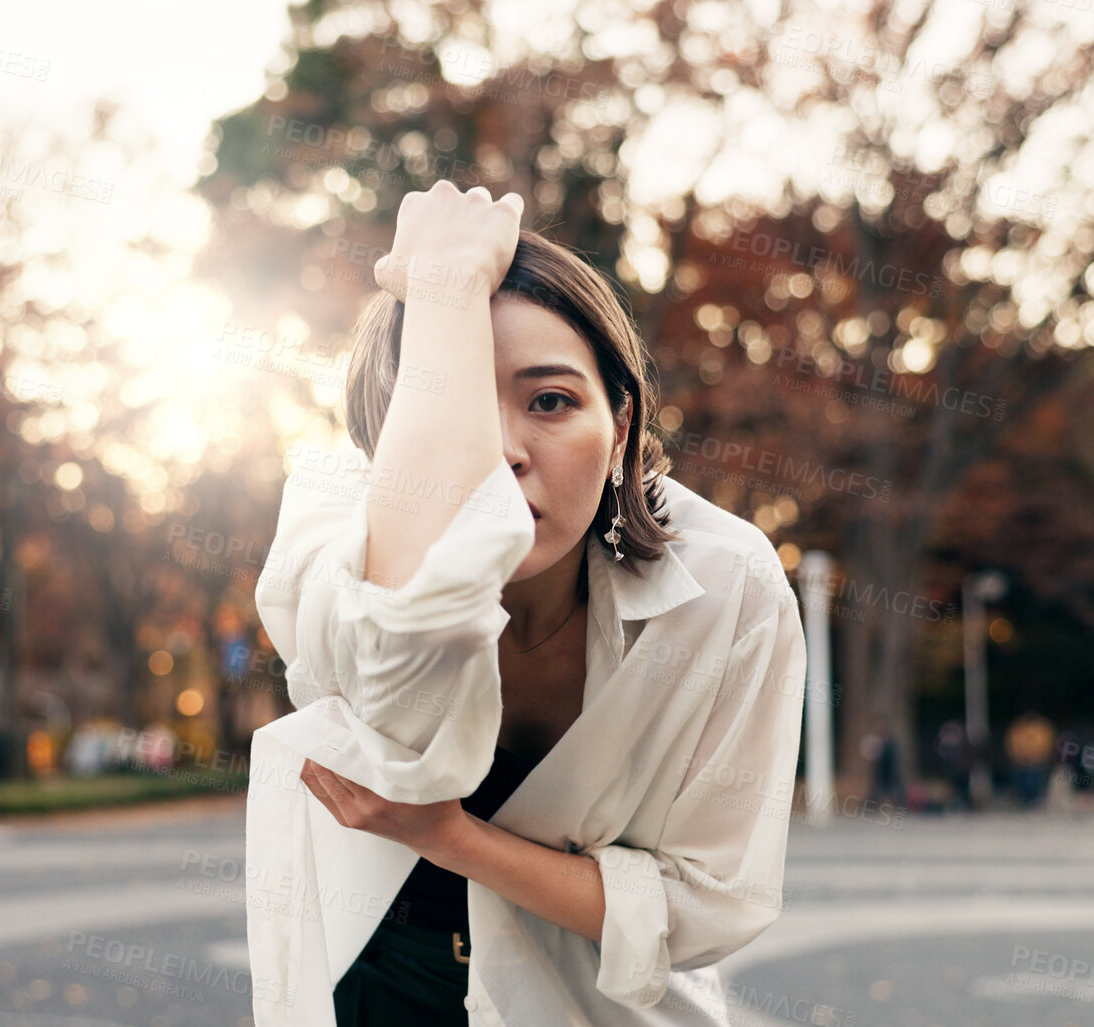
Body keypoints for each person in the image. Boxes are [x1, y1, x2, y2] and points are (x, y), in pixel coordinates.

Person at [244, 182, 808, 1026]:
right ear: (382, 438)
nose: (502, 452)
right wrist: (439, 288)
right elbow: (407, 647)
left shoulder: (729, 586)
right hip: (378, 983)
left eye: (549, 401)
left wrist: (451, 836)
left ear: (620, 426)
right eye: (460, 405)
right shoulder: (329, 537)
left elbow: (705, 908)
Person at [1004, 711, 1056, 809]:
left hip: (1038, 763)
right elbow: (1011, 745)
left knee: (1034, 777)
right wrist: (1020, 757)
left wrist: (1035, 757)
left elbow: (1046, 745)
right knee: (1020, 779)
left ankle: (1034, 800)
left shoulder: (1042, 728)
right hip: (1020, 763)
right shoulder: (1018, 728)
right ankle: (1023, 800)